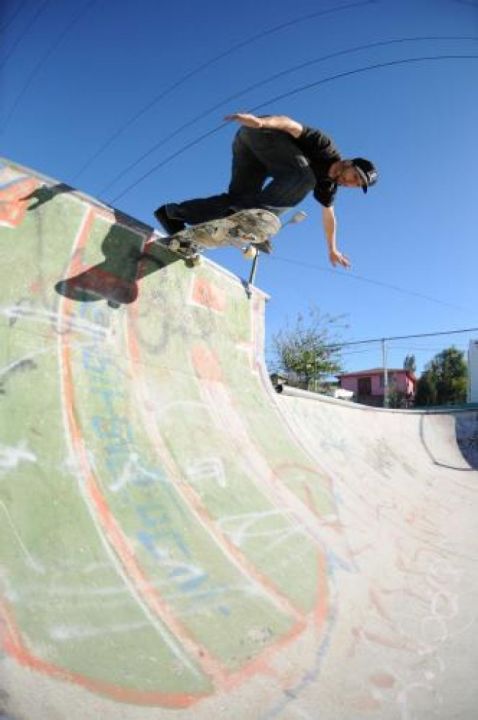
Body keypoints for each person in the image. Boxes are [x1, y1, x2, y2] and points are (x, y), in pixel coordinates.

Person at [154, 112, 378, 267]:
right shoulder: (325, 146)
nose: (351, 183)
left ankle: (172, 213)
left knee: (237, 201)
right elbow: (290, 124)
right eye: (355, 177)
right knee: (305, 177)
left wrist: (332, 249)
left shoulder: (328, 187)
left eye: (357, 185)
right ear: (349, 162)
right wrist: (260, 123)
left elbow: (329, 216)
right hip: (258, 134)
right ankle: (254, 220)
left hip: (254, 158)